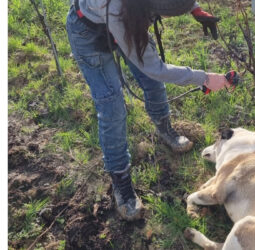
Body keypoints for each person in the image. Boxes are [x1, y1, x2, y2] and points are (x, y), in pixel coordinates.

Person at [66, 0, 229, 221]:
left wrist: (193, 8)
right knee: (112, 107)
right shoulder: (113, 7)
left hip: (128, 15)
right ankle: (121, 180)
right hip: (89, 32)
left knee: (152, 84)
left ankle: (165, 129)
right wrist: (205, 78)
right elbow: (154, 68)